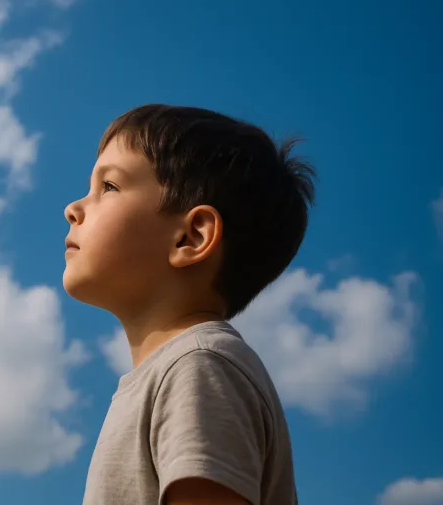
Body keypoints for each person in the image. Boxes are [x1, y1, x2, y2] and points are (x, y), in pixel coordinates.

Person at [63, 104, 316, 505]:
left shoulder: (198, 367)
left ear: (191, 238)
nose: (72, 209)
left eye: (109, 187)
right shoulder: (176, 371)